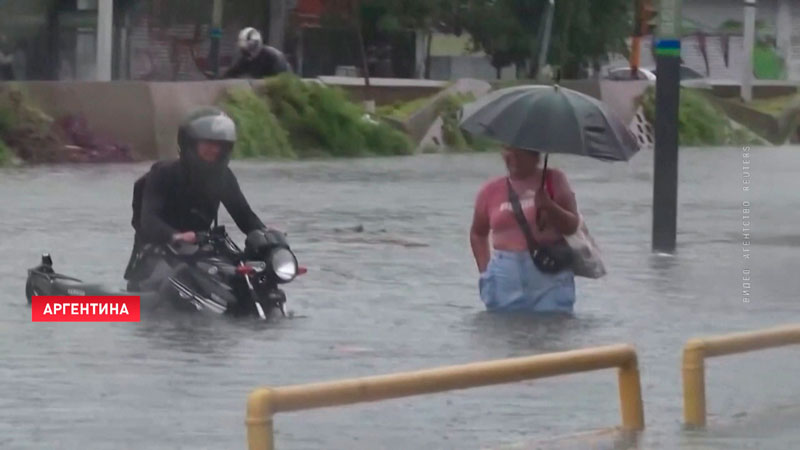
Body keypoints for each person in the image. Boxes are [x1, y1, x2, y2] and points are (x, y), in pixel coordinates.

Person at [123, 106, 279, 291]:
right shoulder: (163, 173)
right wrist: (176, 236)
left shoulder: (223, 177)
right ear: (190, 144)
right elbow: (149, 220)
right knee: (168, 286)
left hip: (201, 250)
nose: (214, 150)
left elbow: (244, 215)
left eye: (220, 145)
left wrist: (264, 233)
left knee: (245, 279)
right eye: (207, 143)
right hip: (159, 251)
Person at [470, 146, 580, 314]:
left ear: (535, 156)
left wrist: (550, 207)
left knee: (552, 331)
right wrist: (485, 273)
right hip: (504, 276)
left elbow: (572, 225)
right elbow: (478, 233)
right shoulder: (490, 190)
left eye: (519, 153)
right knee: (503, 335)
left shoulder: (554, 180)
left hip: (548, 273)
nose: (512, 158)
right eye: (507, 151)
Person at [222, 27, 291, 79]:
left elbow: (279, 80)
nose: (247, 52)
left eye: (250, 47)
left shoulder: (273, 57)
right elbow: (233, 72)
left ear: (256, 44)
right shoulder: (247, 59)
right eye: (244, 49)